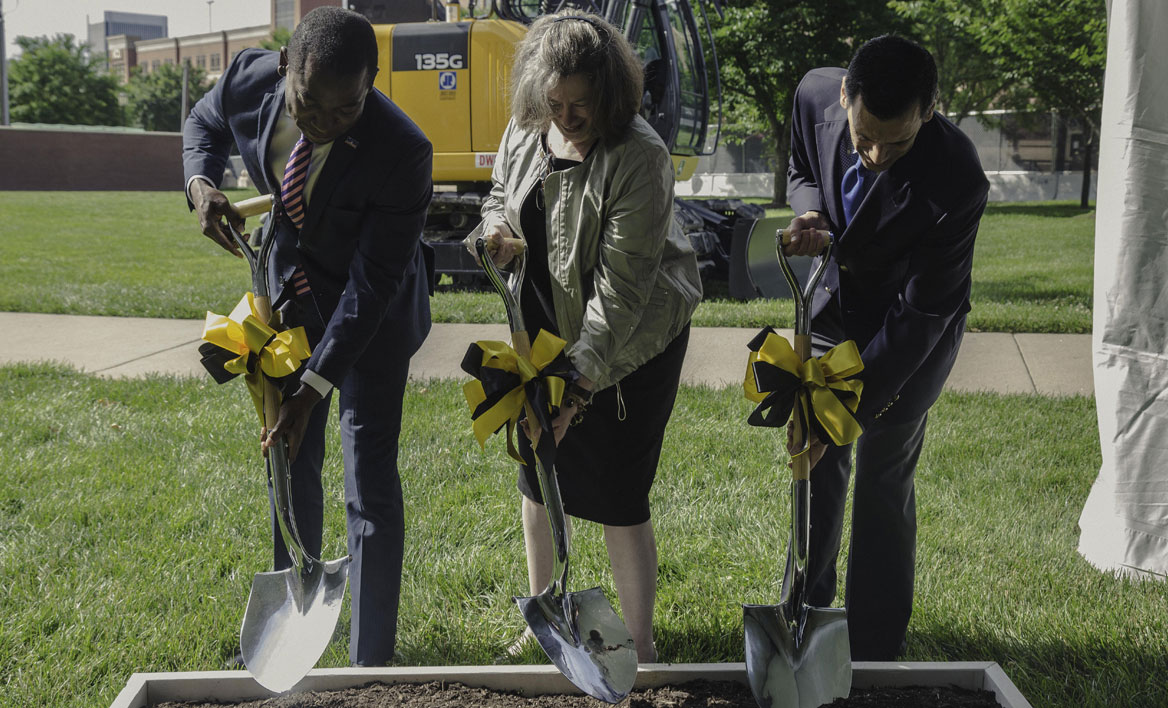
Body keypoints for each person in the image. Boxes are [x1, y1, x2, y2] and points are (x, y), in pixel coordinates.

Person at [182, 6, 433, 666]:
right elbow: (203, 123)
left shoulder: (402, 149)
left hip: (372, 319)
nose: (322, 122)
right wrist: (202, 183)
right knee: (289, 461)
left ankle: (369, 658)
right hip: (290, 300)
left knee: (367, 475)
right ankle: (286, 624)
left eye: (344, 110)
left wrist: (314, 388)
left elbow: (372, 285)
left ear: (371, 84)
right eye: (308, 106)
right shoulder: (248, 77)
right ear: (285, 70)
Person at [473, 10, 702, 663]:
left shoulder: (640, 155)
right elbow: (497, 196)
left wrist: (576, 388)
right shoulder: (527, 130)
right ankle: (545, 615)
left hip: (630, 337)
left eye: (582, 104)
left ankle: (641, 642)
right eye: (555, 104)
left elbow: (621, 294)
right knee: (538, 474)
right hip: (544, 322)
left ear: (609, 93)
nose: (567, 118)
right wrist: (493, 232)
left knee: (617, 487)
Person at [783, 35, 989, 660]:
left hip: (910, 338)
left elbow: (922, 315)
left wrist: (847, 410)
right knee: (815, 467)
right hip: (832, 311)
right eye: (862, 136)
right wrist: (812, 211)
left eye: (895, 144)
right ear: (845, 95)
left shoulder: (957, 177)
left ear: (930, 110)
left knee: (881, 471)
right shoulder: (815, 93)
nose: (874, 155)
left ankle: (874, 647)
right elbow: (799, 169)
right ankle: (806, 619)